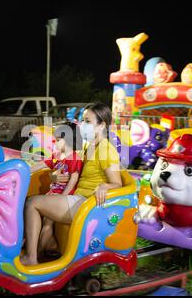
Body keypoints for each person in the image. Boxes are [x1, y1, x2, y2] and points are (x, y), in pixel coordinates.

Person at [21, 102, 122, 266]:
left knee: (32, 203)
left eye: (88, 121)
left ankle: (32, 258)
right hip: (78, 198)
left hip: (87, 203)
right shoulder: (91, 146)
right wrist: (53, 176)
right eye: (83, 120)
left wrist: (105, 186)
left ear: (102, 124)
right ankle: (41, 249)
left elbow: (116, 183)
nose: (83, 125)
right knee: (31, 201)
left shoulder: (106, 150)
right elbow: (66, 163)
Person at [29, 122, 83, 257]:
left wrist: (63, 196)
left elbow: (73, 179)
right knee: (41, 221)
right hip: (52, 194)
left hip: (60, 196)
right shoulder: (57, 156)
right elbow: (41, 164)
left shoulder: (74, 158)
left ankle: (38, 253)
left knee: (47, 224)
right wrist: (25, 171)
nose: (55, 143)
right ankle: (46, 248)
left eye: (58, 140)